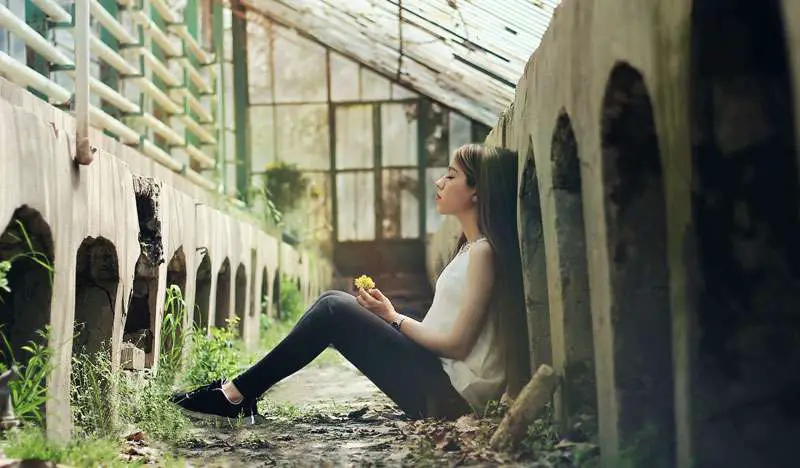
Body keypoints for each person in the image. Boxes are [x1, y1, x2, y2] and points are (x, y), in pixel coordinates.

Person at [169, 143, 529, 422]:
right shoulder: (469, 248)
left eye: (451, 176)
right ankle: (236, 393)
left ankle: (234, 395)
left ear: (477, 191)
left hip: (450, 398)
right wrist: (387, 315)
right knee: (333, 303)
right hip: (435, 379)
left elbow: (457, 345)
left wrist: (393, 318)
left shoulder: (484, 253)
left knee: (332, 307)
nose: (439, 182)